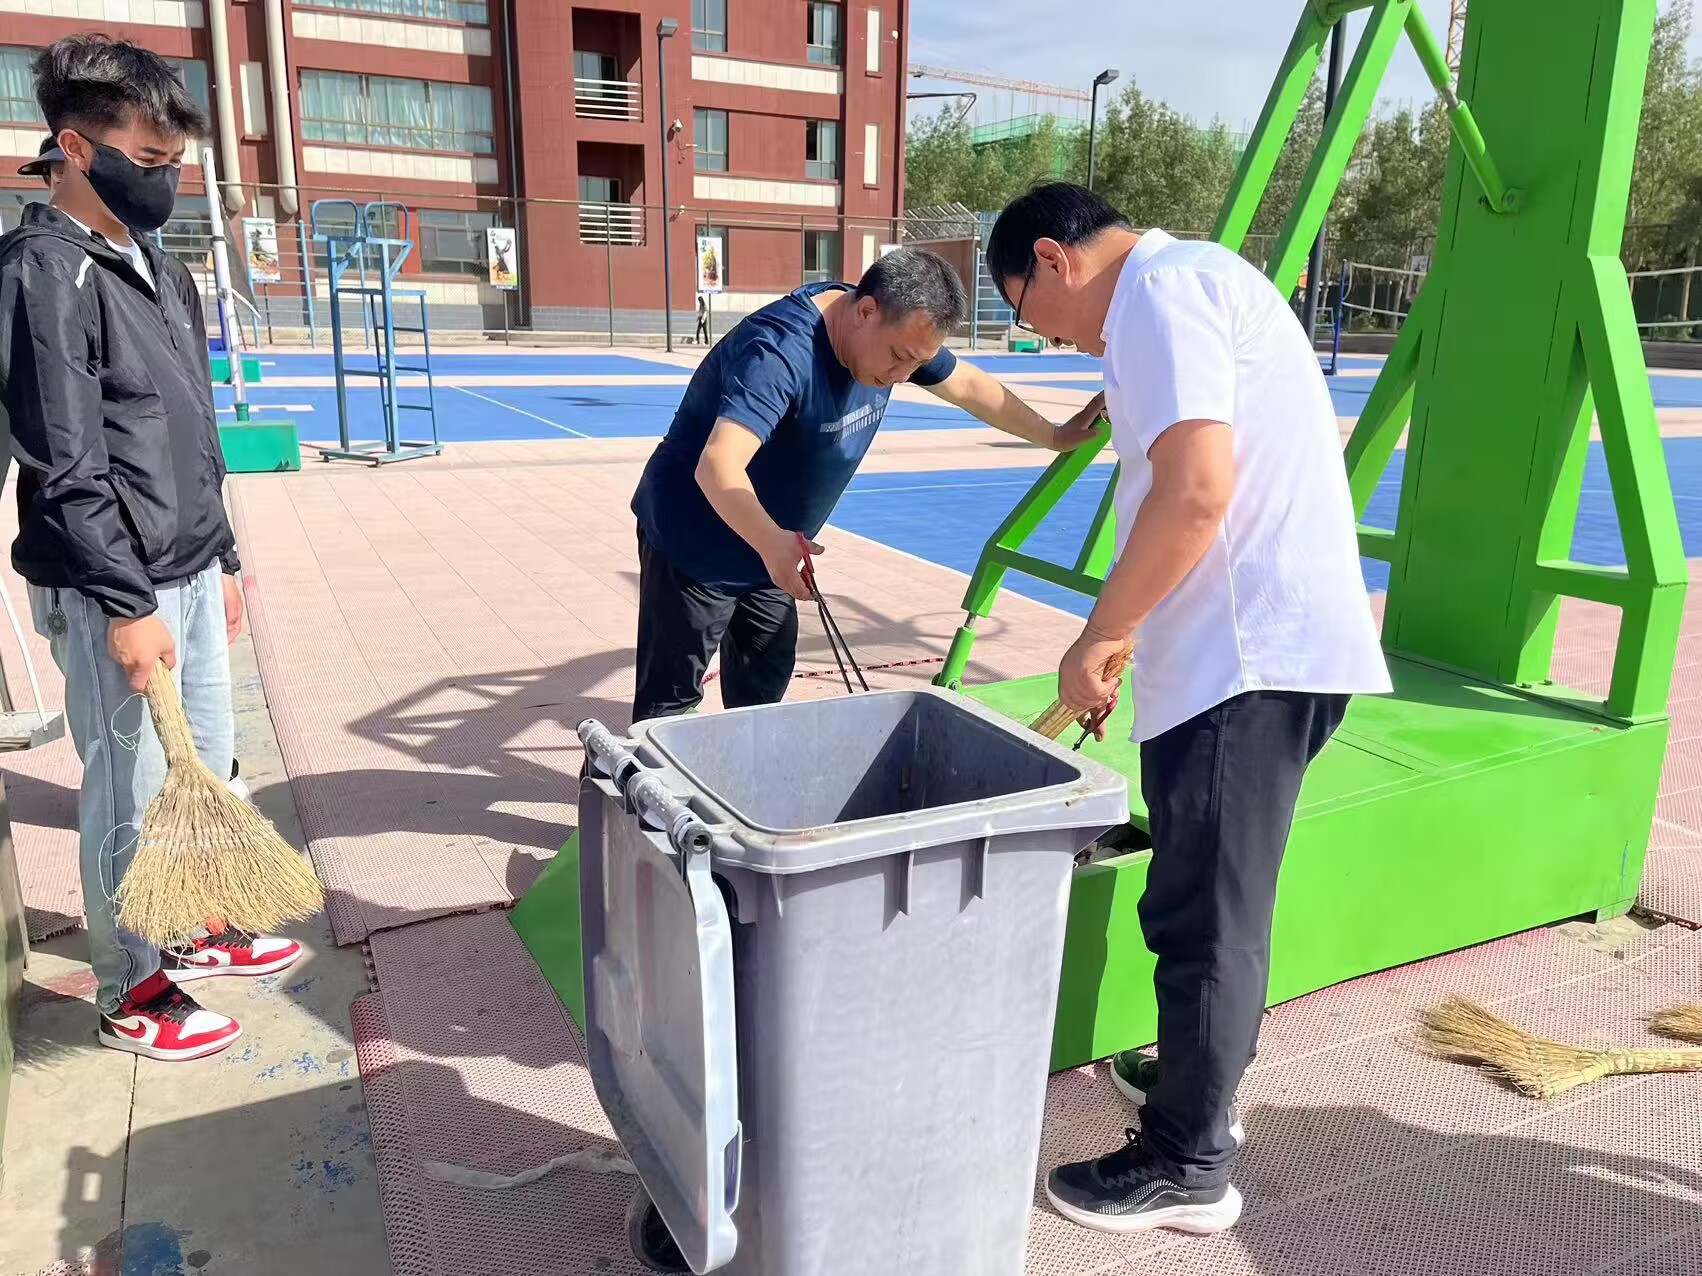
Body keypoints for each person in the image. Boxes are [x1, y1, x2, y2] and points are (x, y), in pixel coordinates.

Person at [983, 183, 1391, 1234]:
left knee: (1204, 917)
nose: (1050, 339)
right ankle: (1193, 1080)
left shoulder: (1160, 294)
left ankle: (1187, 1162)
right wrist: (1134, 636)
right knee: (1209, 899)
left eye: (1030, 314)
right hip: (1240, 652)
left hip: (1244, 660)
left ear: (1054, 258)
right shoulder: (1190, 283)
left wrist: (1100, 634)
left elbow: (1196, 492)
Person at [0, 35, 302, 1064]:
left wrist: (223, 559)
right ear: (77, 150)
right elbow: (65, 461)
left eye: (177, 162)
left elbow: (194, 432)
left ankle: (194, 924)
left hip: (188, 566)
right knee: (126, 794)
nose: (167, 180)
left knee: (203, 765)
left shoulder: (160, 269)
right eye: (150, 160)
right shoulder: (44, 273)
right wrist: (125, 605)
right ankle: (131, 986)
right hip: (111, 587)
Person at [627, 245, 1106, 726]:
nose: (901, 377)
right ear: (866, 311)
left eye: (915, 366)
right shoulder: (779, 352)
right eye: (899, 359)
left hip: (772, 547)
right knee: (668, 710)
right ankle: (626, 768)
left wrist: (1053, 435)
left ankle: (743, 764)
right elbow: (718, 463)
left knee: (762, 692)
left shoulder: (898, 335)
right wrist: (771, 542)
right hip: (695, 540)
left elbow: (967, 386)